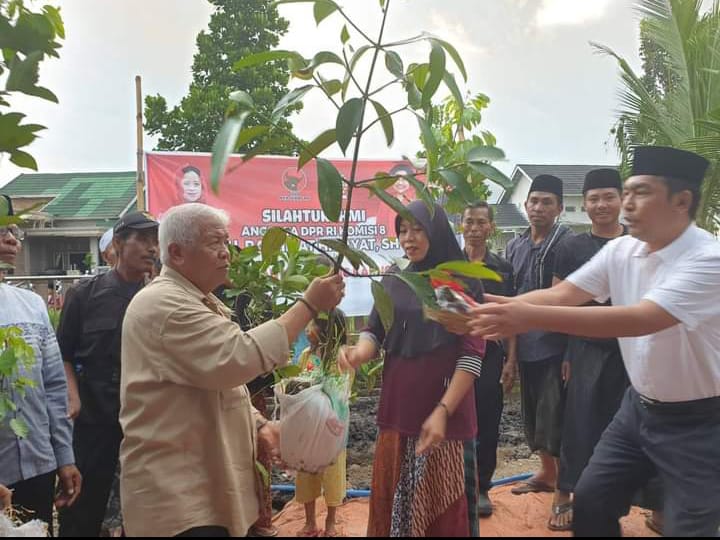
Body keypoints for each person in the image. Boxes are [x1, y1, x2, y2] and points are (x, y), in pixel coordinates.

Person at [469, 146, 720, 537]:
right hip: (638, 409)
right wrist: (488, 305)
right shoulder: (623, 250)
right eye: (628, 191)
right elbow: (563, 294)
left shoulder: (707, 259)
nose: (627, 202)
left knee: (690, 526)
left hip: (700, 422)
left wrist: (524, 317)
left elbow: (641, 319)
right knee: (590, 500)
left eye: (641, 192)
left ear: (681, 201)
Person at [119, 203, 345, 537]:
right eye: (214, 243)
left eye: (226, 242)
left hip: (201, 491)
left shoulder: (198, 302)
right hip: (179, 501)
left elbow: (219, 383)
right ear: (177, 253)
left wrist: (260, 425)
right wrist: (308, 305)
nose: (226, 252)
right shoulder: (164, 304)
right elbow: (237, 357)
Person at [338, 201, 486, 537]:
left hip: (442, 419)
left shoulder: (448, 283)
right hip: (399, 412)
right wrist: (359, 353)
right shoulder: (397, 277)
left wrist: (443, 411)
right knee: (395, 504)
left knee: (443, 510)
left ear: (436, 232)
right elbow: (376, 329)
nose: (408, 238)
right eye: (402, 230)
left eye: (418, 229)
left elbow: (471, 353)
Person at [57, 211, 159, 537]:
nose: (152, 248)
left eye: (156, 241)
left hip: (145, 423)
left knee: (144, 510)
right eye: (143, 240)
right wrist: (72, 397)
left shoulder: (161, 298)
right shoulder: (84, 295)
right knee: (83, 507)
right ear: (118, 243)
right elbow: (63, 354)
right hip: (95, 419)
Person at [547, 169, 629, 531]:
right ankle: (564, 492)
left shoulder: (637, 244)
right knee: (579, 422)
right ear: (584, 204)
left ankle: (653, 503)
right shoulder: (572, 247)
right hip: (585, 348)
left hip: (630, 346)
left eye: (608, 197)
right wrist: (567, 352)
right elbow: (558, 301)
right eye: (593, 198)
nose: (601, 205)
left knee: (633, 423)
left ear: (622, 199)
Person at [0, 194, 82, 529]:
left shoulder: (31, 305)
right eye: (1, 231)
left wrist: (64, 457)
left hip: (37, 465)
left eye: (13, 231)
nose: (10, 239)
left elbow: (54, 388)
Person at [504, 175, 571, 496]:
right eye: (534, 201)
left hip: (556, 346)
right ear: (525, 204)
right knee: (531, 414)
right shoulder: (514, 246)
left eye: (547, 202)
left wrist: (571, 352)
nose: (539, 208)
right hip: (525, 343)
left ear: (559, 208)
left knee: (555, 416)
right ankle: (547, 472)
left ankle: (564, 484)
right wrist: (511, 355)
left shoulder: (568, 244)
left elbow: (575, 302)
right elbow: (509, 296)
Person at [461, 201, 517, 517]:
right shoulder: (449, 266)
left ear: (491, 227)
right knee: (454, 416)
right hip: (455, 353)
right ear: (461, 225)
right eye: (469, 221)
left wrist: (511, 360)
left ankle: (482, 486)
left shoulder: (502, 268)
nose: (474, 228)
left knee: (487, 419)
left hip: (491, 353)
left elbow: (511, 315)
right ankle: (455, 485)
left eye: (481, 222)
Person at [296, 310, 349, 538]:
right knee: (306, 472)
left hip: (332, 427)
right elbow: (300, 383)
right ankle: (310, 522)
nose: (308, 330)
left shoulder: (341, 358)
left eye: (312, 326)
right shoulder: (306, 356)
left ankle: (330, 522)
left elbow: (343, 390)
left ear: (326, 330)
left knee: (332, 473)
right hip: (309, 426)